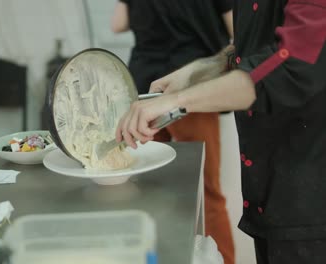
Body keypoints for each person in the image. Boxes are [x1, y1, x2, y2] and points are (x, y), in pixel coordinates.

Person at [116, 0, 326, 263]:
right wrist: (196, 72)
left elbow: (292, 64)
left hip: (309, 201)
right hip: (269, 190)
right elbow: (250, 49)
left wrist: (178, 100)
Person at [111, 1, 235, 263]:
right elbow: (241, 32)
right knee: (207, 191)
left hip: (145, 87)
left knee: (144, 187)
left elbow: (117, 24)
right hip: (193, 88)